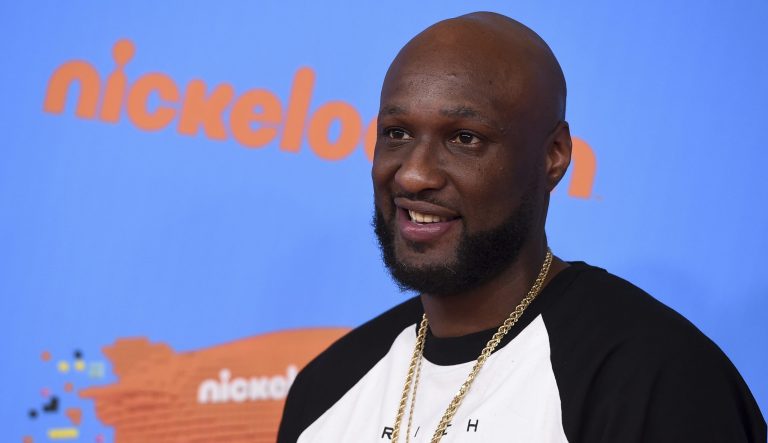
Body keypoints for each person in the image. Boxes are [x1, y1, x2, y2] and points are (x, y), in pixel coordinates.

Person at [277, 11, 766, 443]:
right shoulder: (327, 387)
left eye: (464, 138)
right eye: (397, 133)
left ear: (554, 157)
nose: (414, 174)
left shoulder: (655, 379)